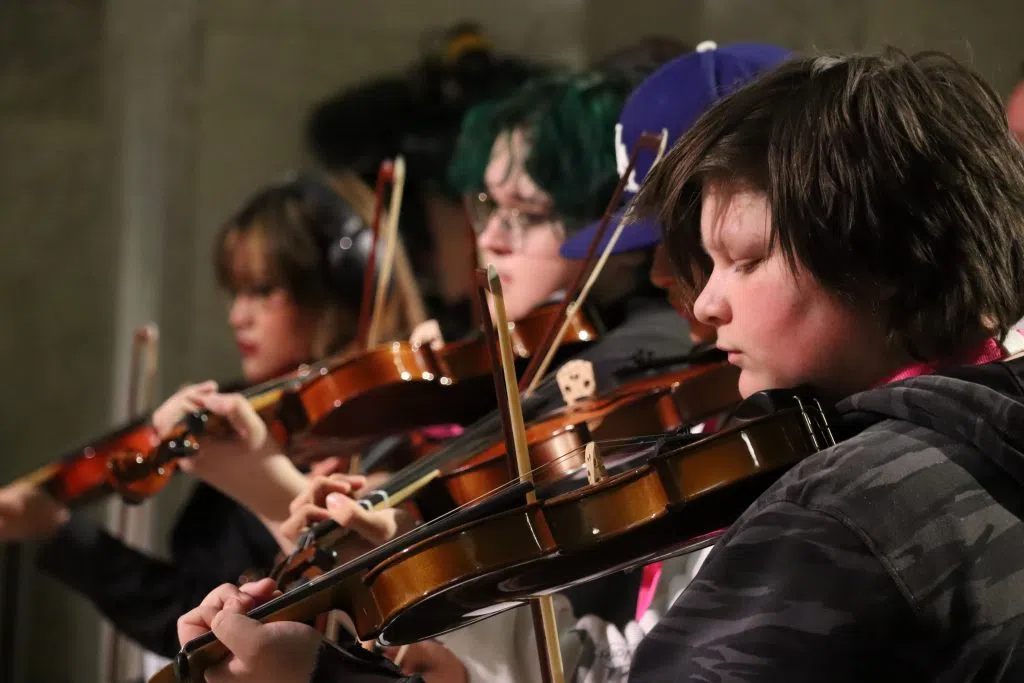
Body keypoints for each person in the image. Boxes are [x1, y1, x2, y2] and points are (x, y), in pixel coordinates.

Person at [173, 46, 1024, 683]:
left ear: (877, 254)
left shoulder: (844, 508)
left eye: (742, 257)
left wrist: (323, 677)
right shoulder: (974, 435)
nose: (704, 300)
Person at [0, 171, 408, 659]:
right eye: (235, 293)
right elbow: (189, 618)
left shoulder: (397, 435)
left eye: (262, 290)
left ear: (337, 292)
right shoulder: (252, 427)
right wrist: (59, 531)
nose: (238, 315)